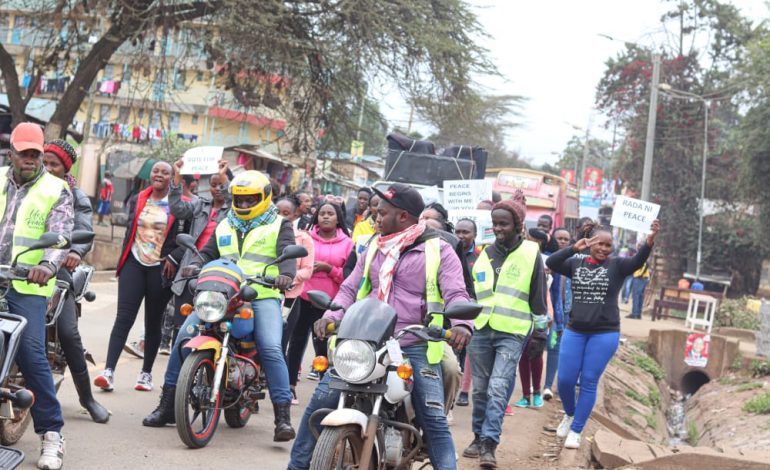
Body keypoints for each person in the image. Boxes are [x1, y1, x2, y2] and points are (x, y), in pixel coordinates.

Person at [289, 183, 472, 470]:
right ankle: (296, 467)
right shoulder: (375, 245)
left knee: (434, 420)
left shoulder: (440, 250)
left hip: (416, 342)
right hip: (368, 343)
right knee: (318, 405)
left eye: (382, 212)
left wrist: (462, 324)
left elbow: (456, 293)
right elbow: (350, 288)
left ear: (403, 216)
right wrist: (331, 316)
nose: (375, 217)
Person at [143, 170, 298, 441]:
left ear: (263, 198)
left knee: (271, 346)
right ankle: (168, 406)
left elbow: (287, 256)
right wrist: (196, 263)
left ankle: (282, 417)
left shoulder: (279, 224)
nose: (246, 205)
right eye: (241, 199)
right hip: (223, 292)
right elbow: (209, 252)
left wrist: (285, 275)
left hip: (261, 294)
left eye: (251, 200)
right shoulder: (227, 222)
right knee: (183, 337)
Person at [546, 220, 660, 450]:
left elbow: (638, 260)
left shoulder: (617, 266)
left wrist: (649, 241)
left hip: (604, 334)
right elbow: (551, 262)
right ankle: (569, 414)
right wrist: (573, 248)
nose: (603, 249)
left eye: (608, 245)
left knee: (589, 381)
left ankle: (576, 430)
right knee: (565, 381)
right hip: (575, 331)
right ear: (590, 243)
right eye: (599, 243)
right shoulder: (575, 264)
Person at [3, 123, 74, 470]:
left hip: (26, 285)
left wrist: (47, 264)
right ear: (12, 151)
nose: (29, 159)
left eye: (35, 153)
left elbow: (60, 235)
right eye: (23, 152)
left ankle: (51, 434)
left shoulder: (56, 189)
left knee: (31, 353)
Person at [463, 193, 548, 469]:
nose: (498, 229)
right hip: (481, 329)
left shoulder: (532, 253)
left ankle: (489, 443)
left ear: (518, 225)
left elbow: (538, 296)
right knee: (480, 390)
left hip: (513, 331)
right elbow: (473, 292)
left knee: (499, 388)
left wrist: (540, 332)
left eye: (504, 224)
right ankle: (477, 436)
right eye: (495, 224)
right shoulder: (484, 253)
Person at [95, 161, 181, 393]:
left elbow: (183, 237)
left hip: (160, 268)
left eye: (165, 172)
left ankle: (146, 374)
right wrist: (123, 262)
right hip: (134, 263)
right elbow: (130, 230)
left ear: (172, 177)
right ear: (151, 175)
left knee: (153, 322)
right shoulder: (139, 197)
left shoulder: (178, 204)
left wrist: (173, 258)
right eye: (156, 171)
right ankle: (108, 372)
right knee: (123, 318)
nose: (159, 175)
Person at [42, 139, 110, 424]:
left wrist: (73, 251)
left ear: (65, 167)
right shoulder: (29, 189)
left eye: (53, 164)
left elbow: (83, 229)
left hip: (58, 270)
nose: (46, 168)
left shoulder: (75, 195)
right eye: (44, 162)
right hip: (22, 266)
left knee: (68, 333)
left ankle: (87, 398)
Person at [286, 201, 352, 390]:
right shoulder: (306, 238)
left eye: (330, 213)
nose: (325, 216)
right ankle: (290, 386)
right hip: (304, 298)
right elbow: (296, 264)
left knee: (324, 346)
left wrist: (329, 269)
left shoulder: (348, 244)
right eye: (322, 213)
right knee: (296, 341)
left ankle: (326, 388)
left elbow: (349, 277)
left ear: (338, 218)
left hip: (329, 303)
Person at [166, 158, 230, 340]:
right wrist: (177, 177)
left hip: (216, 271)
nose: (217, 188)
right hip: (190, 270)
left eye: (221, 185)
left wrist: (224, 175)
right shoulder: (200, 204)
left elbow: (233, 199)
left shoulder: (234, 210)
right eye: (214, 184)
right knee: (181, 328)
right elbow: (177, 208)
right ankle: (178, 367)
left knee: (208, 326)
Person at [275, 195, 315, 405]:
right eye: (277, 213)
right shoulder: (267, 233)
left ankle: (285, 388)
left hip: (289, 298)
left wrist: (289, 278)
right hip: (267, 294)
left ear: (295, 214)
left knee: (283, 343)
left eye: (286, 214)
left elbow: (307, 270)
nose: (281, 218)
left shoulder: (303, 238)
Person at [513, 229, 554, 411]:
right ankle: (525, 395)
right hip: (520, 315)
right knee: (523, 356)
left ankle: (537, 392)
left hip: (538, 314)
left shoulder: (544, 261)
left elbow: (546, 293)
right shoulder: (517, 259)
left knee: (536, 353)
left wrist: (549, 314)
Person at [455, 218, 484, 407]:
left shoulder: (481, 258)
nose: (461, 236)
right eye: (457, 231)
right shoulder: (448, 251)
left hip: (473, 311)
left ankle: (464, 391)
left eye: (465, 232)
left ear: (474, 235)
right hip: (452, 309)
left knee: (469, 354)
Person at [543, 227, 571, 401]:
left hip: (561, 312)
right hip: (542, 312)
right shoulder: (547, 260)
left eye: (566, 239)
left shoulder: (573, 260)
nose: (562, 241)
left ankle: (548, 385)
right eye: (559, 238)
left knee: (555, 348)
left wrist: (560, 319)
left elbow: (560, 296)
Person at [627, 251, 651, 320]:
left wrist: (638, 275)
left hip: (639, 278)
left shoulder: (642, 259)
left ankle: (635, 313)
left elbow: (645, 266)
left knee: (636, 296)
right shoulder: (644, 258)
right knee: (640, 296)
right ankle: (638, 314)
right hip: (644, 278)